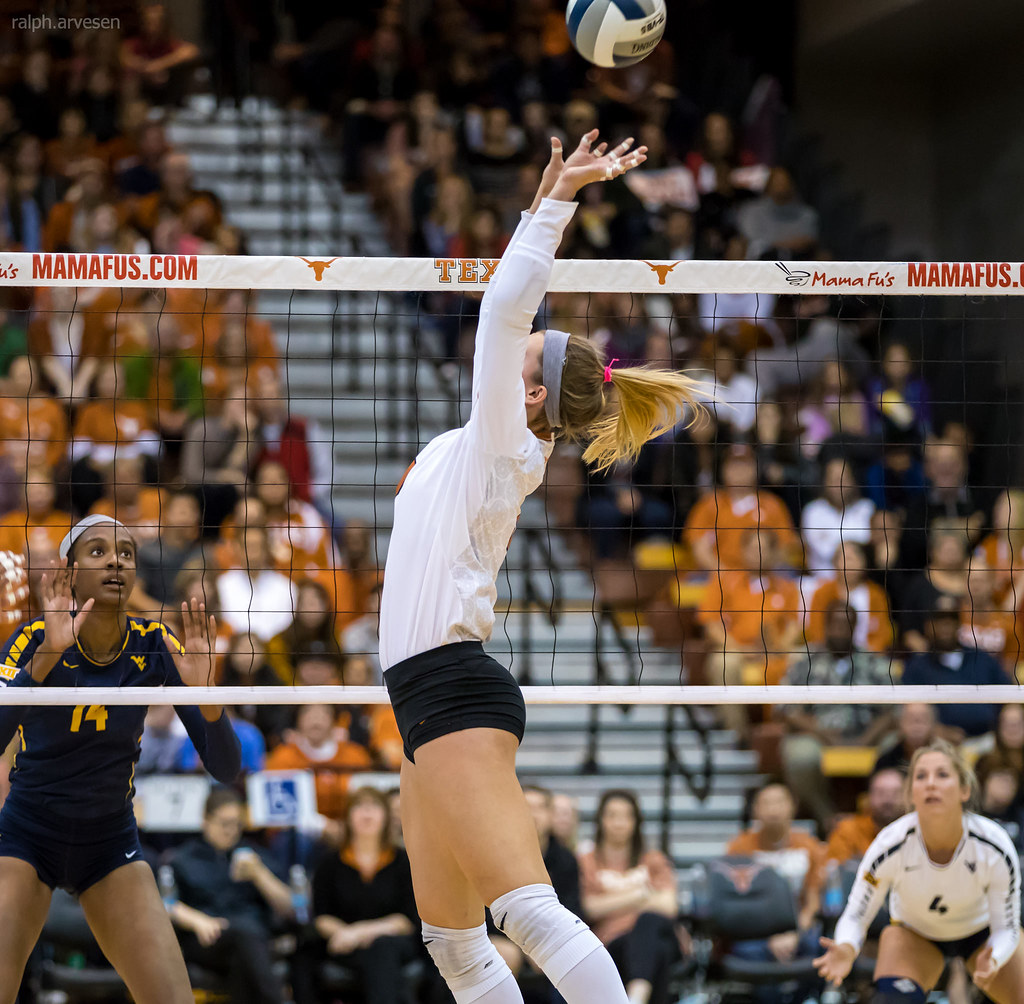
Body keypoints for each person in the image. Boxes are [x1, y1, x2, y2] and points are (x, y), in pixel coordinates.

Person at [380, 131, 700, 1004]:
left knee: (528, 912)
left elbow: (503, 307)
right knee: (454, 942)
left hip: (448, 686)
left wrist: (552, 201)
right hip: (423, 698)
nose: (518, 343)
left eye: (532, 348)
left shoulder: (501, 437)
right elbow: (509, 323)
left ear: (530, 391)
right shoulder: (502, 441)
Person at [0, 514, 241, 1003]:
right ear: (68, 573)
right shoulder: (30, 640)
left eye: (127, 553)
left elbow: (226, 768)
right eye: (98, 552)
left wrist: (208, 697)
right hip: (27, 834)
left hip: (109, 842)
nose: (115, 560)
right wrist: (48, 656)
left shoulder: (156, 644)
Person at [814, 740, 1024, 1002]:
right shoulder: (890, 845)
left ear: (965, 790)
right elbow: (857, 915)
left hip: (982, 935)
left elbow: (1008, 927)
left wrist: (995, 957)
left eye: (943, 774)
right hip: (916, 934)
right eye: (921, 776)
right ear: (912, 792)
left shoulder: (994, 845)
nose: (931, 783)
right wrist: (847, 946)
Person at [168, 786, 292, 1004]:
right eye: (224, 823)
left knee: (243, 953)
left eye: (236, 824)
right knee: (245, 937)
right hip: (208, 938)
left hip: (253, 941)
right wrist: (195, 919)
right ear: (205, 820)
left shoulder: (255, 856)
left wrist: (260, 875)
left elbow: (291, 908)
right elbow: (165, 903)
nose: (231, 830)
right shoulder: (183, 859)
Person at [778, 602, 897, 828]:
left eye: (846, 625)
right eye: (835, 624)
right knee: (799, 756)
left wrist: (869, 737)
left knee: (897, 746)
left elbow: (893, 710)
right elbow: (785, 709)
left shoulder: (874, 661)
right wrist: (820, 732)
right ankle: (828, 818)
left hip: (868, 734)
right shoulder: (806, 661)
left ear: (855, 627)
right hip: (819, 735)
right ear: (825, 626)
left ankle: (880, 817)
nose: (840, 631)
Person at [309, 786, 419, 1004]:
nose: (366, 813)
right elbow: (321, 916)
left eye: (374, 807)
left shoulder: (404, 861)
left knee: (382, 949)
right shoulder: (329, 862)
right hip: (343, 943)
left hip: (393, 942)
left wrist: (358, 933)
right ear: (348, 817)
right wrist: (345, 935)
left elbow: (407, 920)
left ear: (387, 817)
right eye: (359, 807)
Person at [578, 790, 682, 1004]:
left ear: (636, 821)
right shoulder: (587, 861)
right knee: (657, 951)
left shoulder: (653, 860)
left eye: (626, 815)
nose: (619, 822)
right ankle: (637, 997)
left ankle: (635, 998)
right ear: (600, 820)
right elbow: (590, 907)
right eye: (612, 815)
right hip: (613, 943)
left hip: (660, 934)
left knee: (648, 921)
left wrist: (613, 902)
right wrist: (640, 895)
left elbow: (669, 906)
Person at [826, 768, 906, 862]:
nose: (887, 800)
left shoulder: (919, 832)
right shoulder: (848, 831)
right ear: (868, 797)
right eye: (880, 793)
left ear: (908, 797)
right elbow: (837, 871)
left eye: (895, 794)